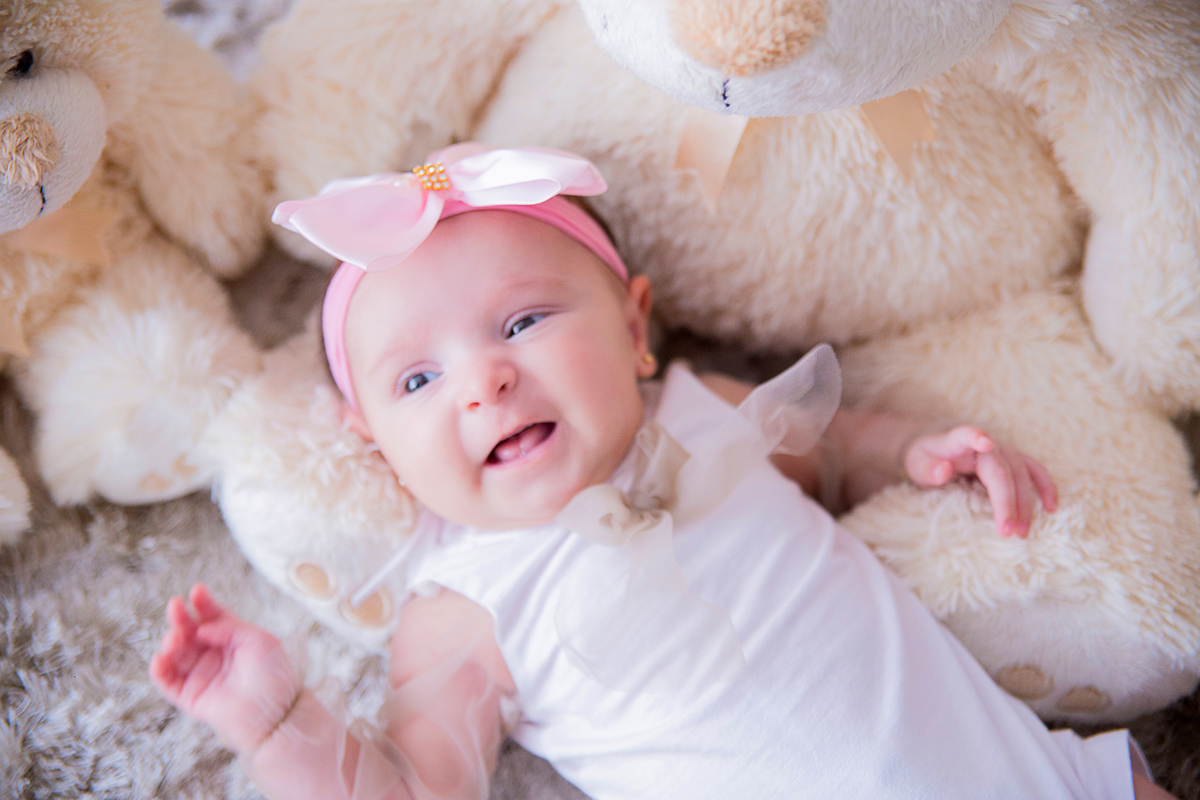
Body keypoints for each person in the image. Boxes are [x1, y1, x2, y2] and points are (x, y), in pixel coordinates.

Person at [150, 144, 1174, 800]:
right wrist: (280, 723)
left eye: (521, 322)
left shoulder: (704, 412)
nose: (485, 381)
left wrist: (916, 450)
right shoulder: (465, 607)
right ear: (376, 444)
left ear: (635, 327)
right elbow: (415, 788)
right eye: (418, 377)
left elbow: (837, 446)